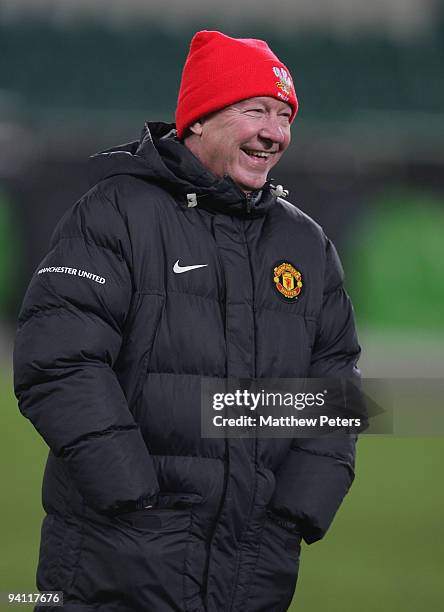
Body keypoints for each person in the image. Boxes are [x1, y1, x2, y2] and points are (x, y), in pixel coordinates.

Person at [14, 30, 361, 612]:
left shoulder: (305, 243)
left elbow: (335, 384)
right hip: (116, 559)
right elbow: (58, 361)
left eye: (284, 115)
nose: (274, 132)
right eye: (255, 111)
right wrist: (136, 500)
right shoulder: (115, 212)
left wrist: (295, 508)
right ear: (198, 120)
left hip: (254, 568)